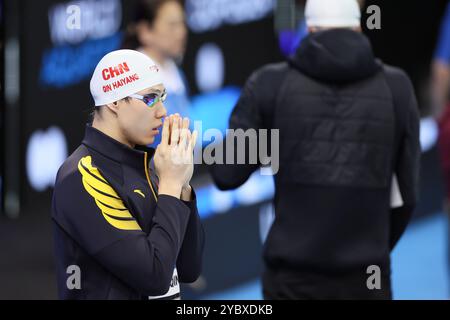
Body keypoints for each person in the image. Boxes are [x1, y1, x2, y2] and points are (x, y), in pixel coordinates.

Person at [211, 0, 420, 299]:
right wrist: (372, 248)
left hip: (291, 283)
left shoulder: (269, 85)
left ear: (308, 29)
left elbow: (227, 174)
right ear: (359, 27)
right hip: (367, 280)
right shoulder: (398, 88)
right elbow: (408, 195)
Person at [52, 49, 204, 300]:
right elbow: (154, 276)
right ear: (114, 101)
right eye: (150, 98)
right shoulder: (80, 177)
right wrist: (170, 185)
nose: (163, 111)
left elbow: (189, 268)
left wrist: (183, 188)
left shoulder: (149, 165)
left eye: (162, 96)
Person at [123, 0, 190, 120]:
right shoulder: (135, 85)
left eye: (182, 23)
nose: (182, 33)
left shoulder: (174, 70)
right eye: (172, 25)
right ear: (145, 31)